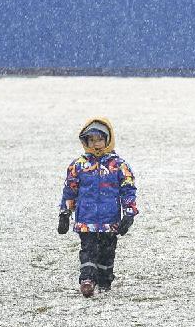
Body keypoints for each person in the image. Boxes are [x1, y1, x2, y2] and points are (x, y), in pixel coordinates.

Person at [58, 117, 138, 297]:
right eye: (91, 140)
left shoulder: (119, 165)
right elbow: (70, 190)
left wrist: (129, 213)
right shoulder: (78, 165)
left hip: (109, 221)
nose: (96, 144)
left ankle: (105, 280)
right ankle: (87, 280)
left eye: (100, 139)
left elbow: (128, 189)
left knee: (107, 253)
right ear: (85, 142)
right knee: (88, 250)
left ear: (108, 139)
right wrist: (64, 212)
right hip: (86, 221)